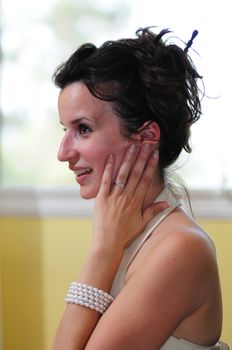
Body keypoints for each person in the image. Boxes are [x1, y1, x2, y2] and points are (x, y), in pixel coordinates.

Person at [51, 27, 229, 349]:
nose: (63, 152)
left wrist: (104, 249)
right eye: (66, 129)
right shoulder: (126, 232)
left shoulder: (181, 249)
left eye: (83, 129)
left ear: (146, 137)